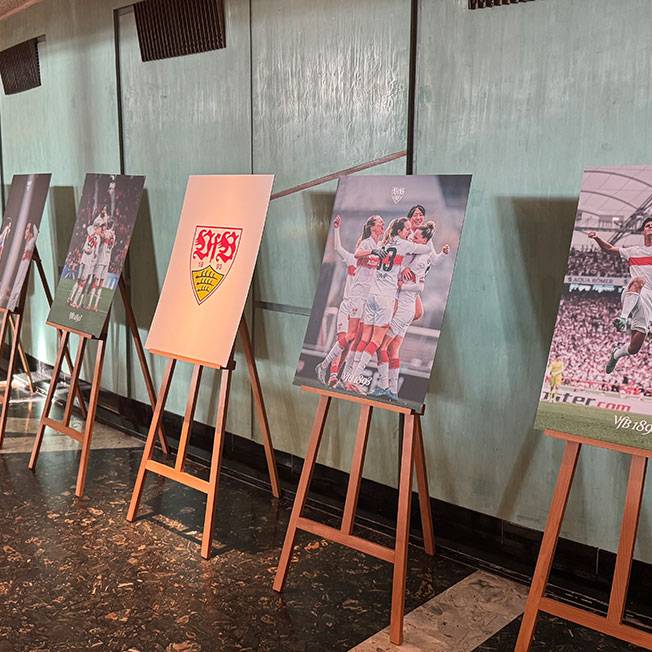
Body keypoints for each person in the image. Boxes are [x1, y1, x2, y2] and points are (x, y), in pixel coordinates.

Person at [344, 216, 435, 394]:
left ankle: (352, 379)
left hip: (372, 296)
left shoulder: (383, 245)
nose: (409, 232)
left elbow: (362, 254)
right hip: (386, 298)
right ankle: (354, 379)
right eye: (407, 229)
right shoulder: (405, 246)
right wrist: (426, 235)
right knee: (377, 342)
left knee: (366, 339)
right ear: (399, 231)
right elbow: (426, 248)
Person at [371, 221, 448, 400]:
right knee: (391, 350)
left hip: (404, 309)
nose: (413, 238)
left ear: (424, 241)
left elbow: (419, 287)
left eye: (416, 237)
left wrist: (401, 285)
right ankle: (392, 391)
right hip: (406, 308)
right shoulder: (419, 251)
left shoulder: (421, 260)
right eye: (412, 235)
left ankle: (384, 387)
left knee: (381, 347)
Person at [588, 217, 652, 373]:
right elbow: (609, 249)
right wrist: (597, 238)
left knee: (635, 348)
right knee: (638, 280)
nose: (651, 227)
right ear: (643, 231)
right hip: (633, 292)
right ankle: (623, 319)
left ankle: (616, 354)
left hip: (648, 299)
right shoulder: (633, 251)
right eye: (648, 225)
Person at [68, 214, 103, 309]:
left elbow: (84, 247)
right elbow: (96, 252)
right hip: (88, 262)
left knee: (78, 280)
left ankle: (70, 298)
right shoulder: (97, 238)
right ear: (97, 228)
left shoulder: (89, 234)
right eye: (100, 228)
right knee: (82, 282)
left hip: (83, 259)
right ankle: (74, 302)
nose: (100, 230)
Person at [87, 218, 116, 311]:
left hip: (101, 260)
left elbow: (93, 230)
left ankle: (89, 305)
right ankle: (95, 306)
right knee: (101, 284)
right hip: (107, 261)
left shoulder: (106, 233)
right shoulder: (113, 235)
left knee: (96, 282)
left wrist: (98, 224)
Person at [8, 223, 38, 310]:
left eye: (27, 229)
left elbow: (35, 231)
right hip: (19, 267)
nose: (25, 231)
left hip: (23, 267)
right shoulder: (24, 243)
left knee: (17, 286)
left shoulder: (31, 241)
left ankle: (11, 303)